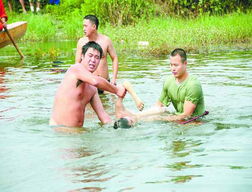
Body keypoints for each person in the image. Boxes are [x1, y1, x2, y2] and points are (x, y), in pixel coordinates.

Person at [50, 41, 126, 132]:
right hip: (59, 132)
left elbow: (104, 117)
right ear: (82, 56)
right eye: (90, 55)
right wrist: (117, 90)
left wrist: (119, 125)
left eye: (97, 57)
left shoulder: (92, 89)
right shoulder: (75, 69)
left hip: (77, 133)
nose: (93, 60)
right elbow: (95, 81)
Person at [155, 48, 205, 121]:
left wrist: (162, 119)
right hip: (178, 118)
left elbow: (186, 115)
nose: (173, 68)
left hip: (195, 122)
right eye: (171, 65)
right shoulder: (168, 82)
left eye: (176, 65)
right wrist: (139, 116)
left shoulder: (193, 85)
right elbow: (158, 106)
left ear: (185, 63)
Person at [75, 15, 119, 93]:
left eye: (85, 26)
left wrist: (114, 79)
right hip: (88, 85)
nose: (83, 29)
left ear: (94, 26)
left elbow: (114, 58)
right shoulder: (81, 42)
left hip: (105, 84)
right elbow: (77, 65)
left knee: (107, 104)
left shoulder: (106, 41)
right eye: (83, 26)